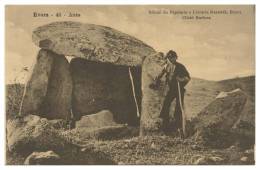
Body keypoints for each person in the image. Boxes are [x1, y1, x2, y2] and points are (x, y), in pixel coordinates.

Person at [154, 50, 190, 135]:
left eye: (172, 58)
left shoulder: (180, 66)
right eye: (169, 58)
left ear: (175, 58)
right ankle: (164, 123)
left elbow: (188, 78)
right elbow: (162, 73)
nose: (170, 59)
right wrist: (157, 79)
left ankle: (179, 125)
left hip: (179, 89)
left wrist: (181, 79)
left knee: (179, 106)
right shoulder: (167, 66)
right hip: (172, 89)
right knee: (166, 103)